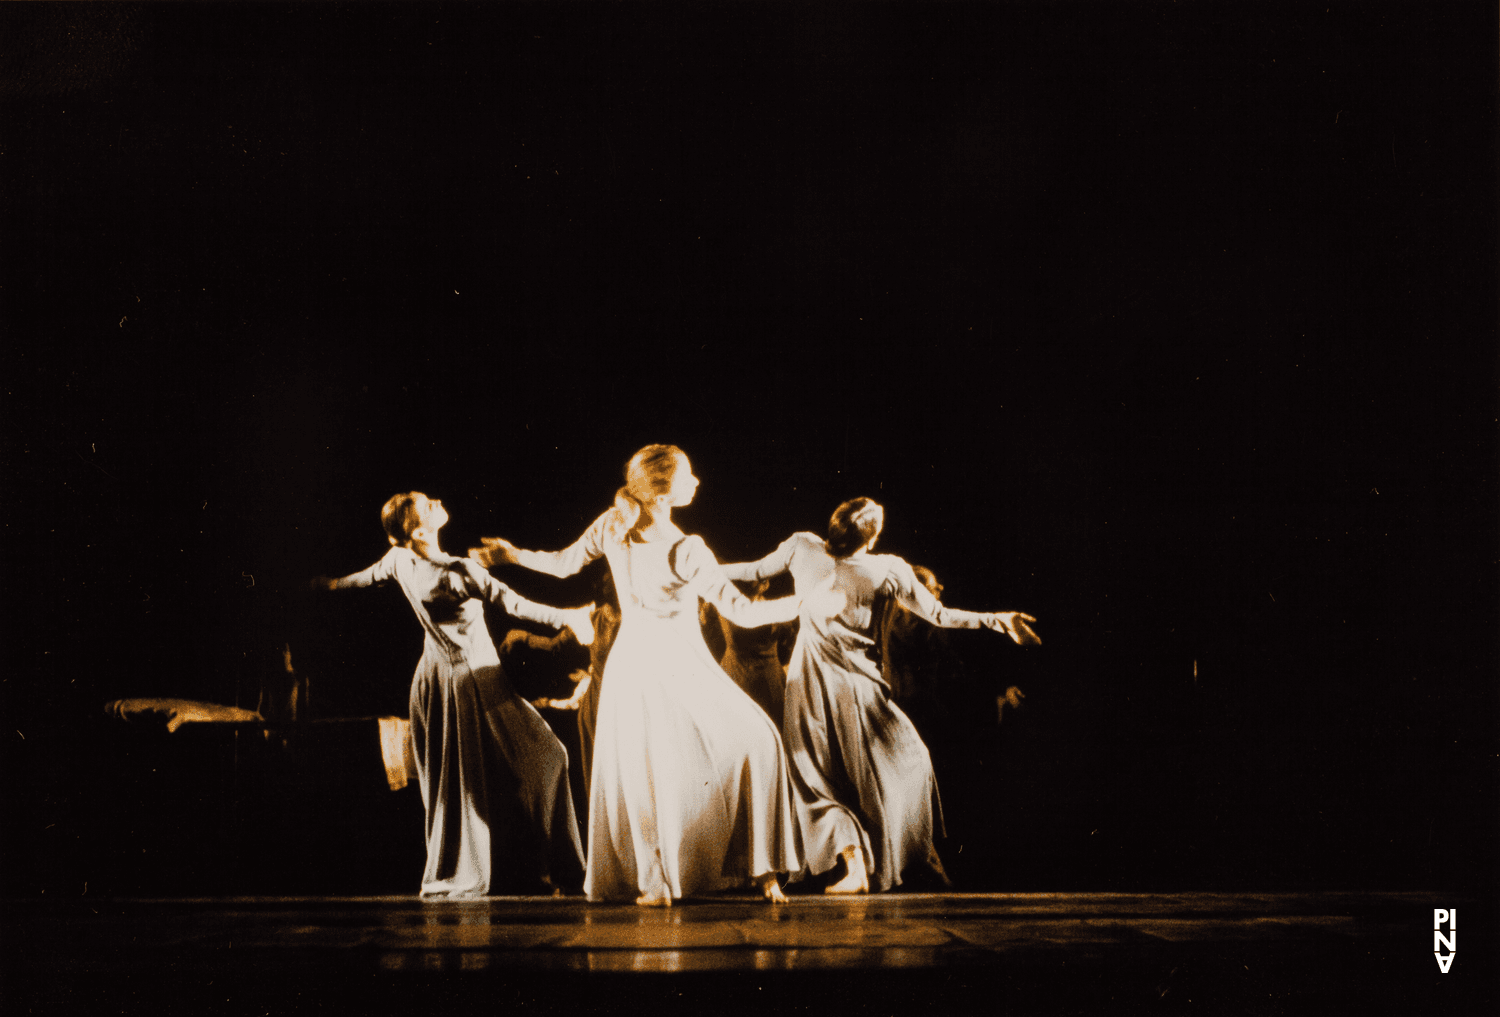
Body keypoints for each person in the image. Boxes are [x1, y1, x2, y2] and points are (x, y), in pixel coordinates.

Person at [472, 445, 840, 905]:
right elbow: (742, 612)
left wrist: (513, 556)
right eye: (688, 475)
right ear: (663, 491)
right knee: (733, 748)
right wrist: (806, 604)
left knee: (658, 766)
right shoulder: (684, 547)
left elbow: (561, 563)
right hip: (674, 661)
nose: (697, 482)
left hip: (633, 662)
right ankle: (685, 877)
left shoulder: (615, 526)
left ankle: (691, 875)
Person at [720, 497, 1040, 894]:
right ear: (871, 538)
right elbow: (939, 614)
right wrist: (997, 620)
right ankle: (866, 864)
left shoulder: (808, 547)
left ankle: (882, 858)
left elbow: (750, 570)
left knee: (818, 778)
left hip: (831, 681)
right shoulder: (872, 563)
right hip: (841, 683)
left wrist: (693, 571)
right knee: (875, 766)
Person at [312, 492, 594, 898]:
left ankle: (549, 870)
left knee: (468, 780)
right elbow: (513, 603)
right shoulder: (456, 572)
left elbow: (364, 577)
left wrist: (326, 585)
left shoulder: (399, 559)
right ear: (420, 530)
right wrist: (570, 617)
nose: (437, 500)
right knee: (538, 760)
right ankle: (560, 872)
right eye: (426, 503)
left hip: (434, 679)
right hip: (471, 679)